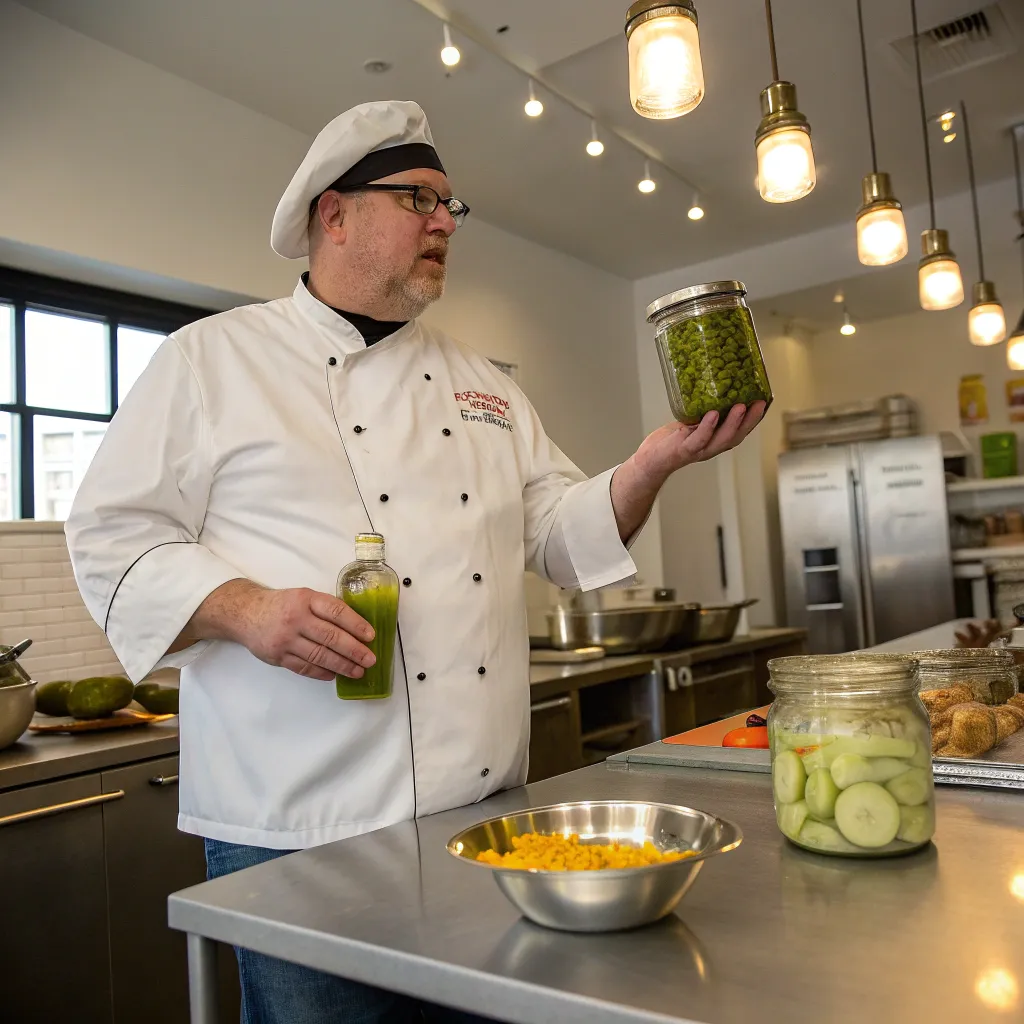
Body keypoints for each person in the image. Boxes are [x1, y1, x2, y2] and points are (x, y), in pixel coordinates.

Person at [65, 100, 765, 1023]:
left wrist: (650, 465)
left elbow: (557, 534)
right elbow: (111, 533)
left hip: (479, 818)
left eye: (449, 207)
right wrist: (246, 609)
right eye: (418, 199)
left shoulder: (485, 384)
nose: (444, 223)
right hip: (300, 836)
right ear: (335, 213)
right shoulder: (210, 361)